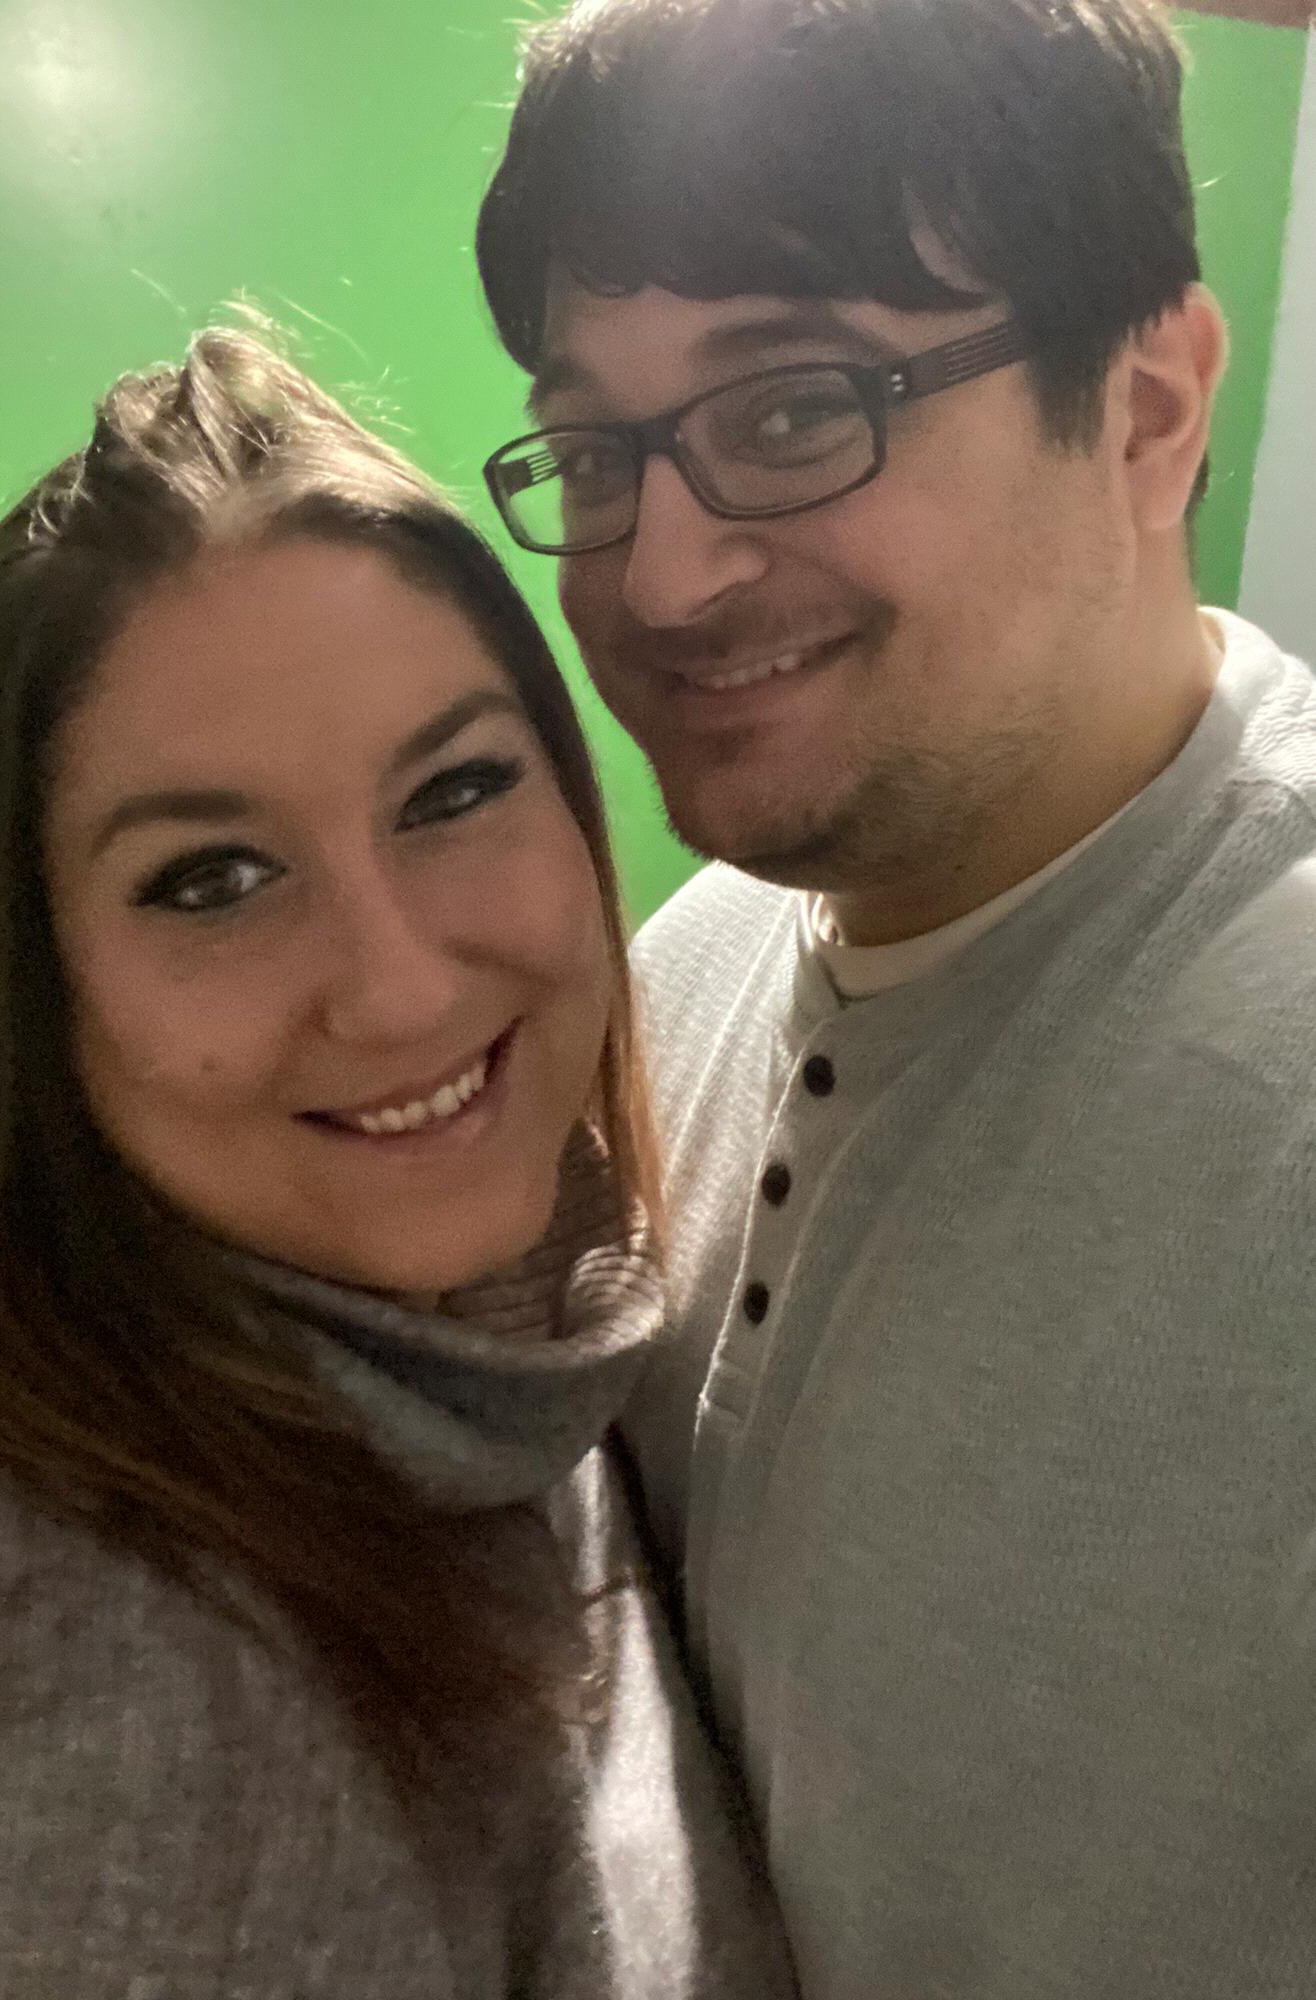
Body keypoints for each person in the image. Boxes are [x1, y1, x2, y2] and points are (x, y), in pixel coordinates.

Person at [474, 0, 1316, 1993]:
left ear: (1148, 410)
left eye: (793, 412)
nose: (660, 580)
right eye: (596, 451)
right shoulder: (685, 964)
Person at [0, 328, 797, 1999]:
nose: (399, 987)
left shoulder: (506, 1344)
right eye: (213, 879)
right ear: (33, 991)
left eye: (456, 789)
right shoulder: (51, 1672)